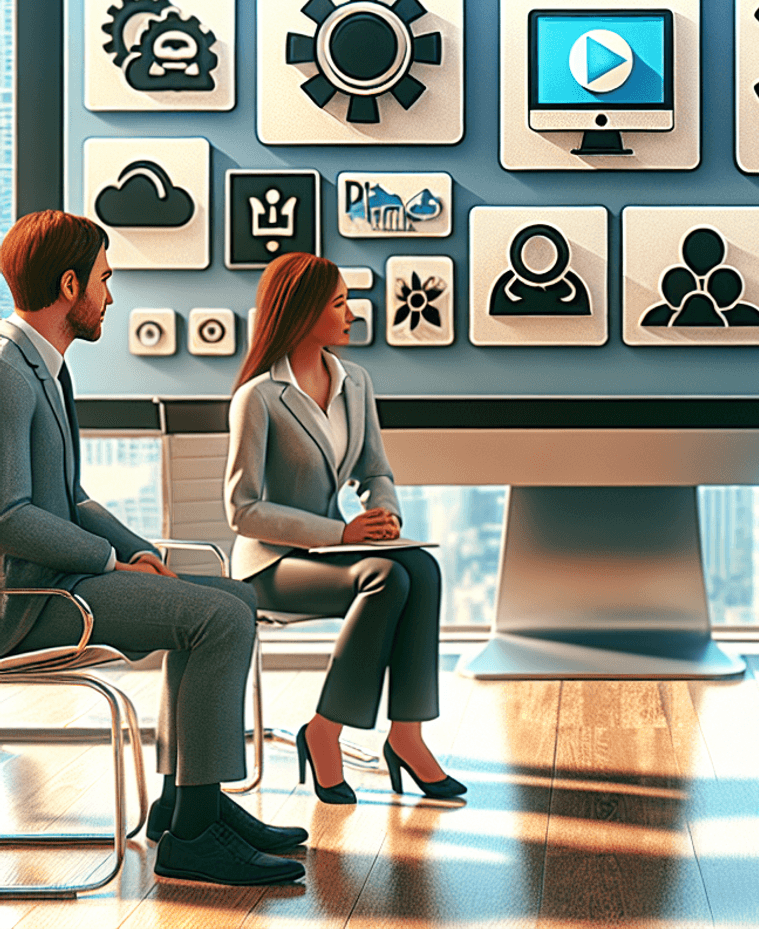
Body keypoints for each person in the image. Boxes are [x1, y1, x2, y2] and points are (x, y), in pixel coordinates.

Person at [0, 211, 305, 886]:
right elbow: (9, 516)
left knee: (230, 598)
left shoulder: (42, 364)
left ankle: (187, 800)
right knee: (217, 618)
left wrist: (136, 551)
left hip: (58, 580)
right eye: (105, 281)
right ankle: (194, 835)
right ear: (70, 283)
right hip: (25, 602)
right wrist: (108, 562)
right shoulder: (6, 368)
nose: (111, 297)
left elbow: (71, 498)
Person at [225, 252, 464, 804]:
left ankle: (407, 735)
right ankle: (324, 732)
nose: (352, 312)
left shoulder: (354, 382)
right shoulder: (258, 398)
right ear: (304, 312)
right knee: (386, 578)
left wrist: (386, 518)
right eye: (339, 303)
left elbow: (375, 470)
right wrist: (343, 536)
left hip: (336, 552)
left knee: (418, 568)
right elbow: (243, 510)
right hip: (270, 566)